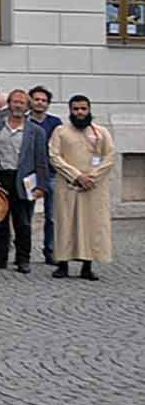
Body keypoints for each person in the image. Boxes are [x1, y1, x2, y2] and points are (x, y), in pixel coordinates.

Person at [49, 95, 116, 281]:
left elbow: (109, 157)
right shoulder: (60, 131)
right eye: (76, 109)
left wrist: (91, 177)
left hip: (94, 187)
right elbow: (54, 157)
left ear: (89, 110)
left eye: (83, 109)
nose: (80, 112)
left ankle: (88, 265)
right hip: (68, 186)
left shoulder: (101, 132)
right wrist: (77, 176)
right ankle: (62, 264)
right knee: (66, 223)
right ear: (70, 110)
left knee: (91, 226)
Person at [0, 89, 49, 274]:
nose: (18, 106)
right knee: (0, 220)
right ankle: (0, 257)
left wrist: (41, 185)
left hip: (24, 179)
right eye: (14, 102)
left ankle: (23, 259)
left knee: (22, 222)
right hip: (1, 176)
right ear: (9, 103)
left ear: (27, 106)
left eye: (22, 103)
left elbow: (41, 159)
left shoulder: (36, 131)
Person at [28, 86, 62, 264]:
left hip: (52, 174)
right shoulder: (26, 121)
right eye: (37, 99)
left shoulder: (55, 123)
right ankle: (23, 253)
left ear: (48, 104)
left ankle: (50, 250)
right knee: (26, 215)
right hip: (30, 175)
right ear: (30, 101)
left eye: (43, 100)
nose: (40, 103)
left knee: (52, 216)